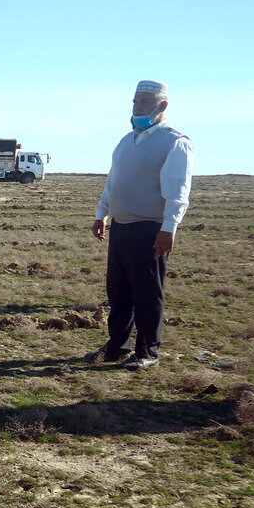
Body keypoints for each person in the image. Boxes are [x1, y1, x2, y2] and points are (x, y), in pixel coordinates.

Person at [87, 80, 194, 370]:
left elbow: (177, 190)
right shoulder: (126, 141)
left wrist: (169, 227)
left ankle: (147, 352)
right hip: (121, 227)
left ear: (163, 106)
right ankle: (117, 346)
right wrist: (102, 213)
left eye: (144, 103)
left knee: (147, 292)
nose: (137, 107)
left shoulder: (174, 142)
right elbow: (113, 182)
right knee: (118, 291)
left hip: (150, 229)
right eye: (135, 102)